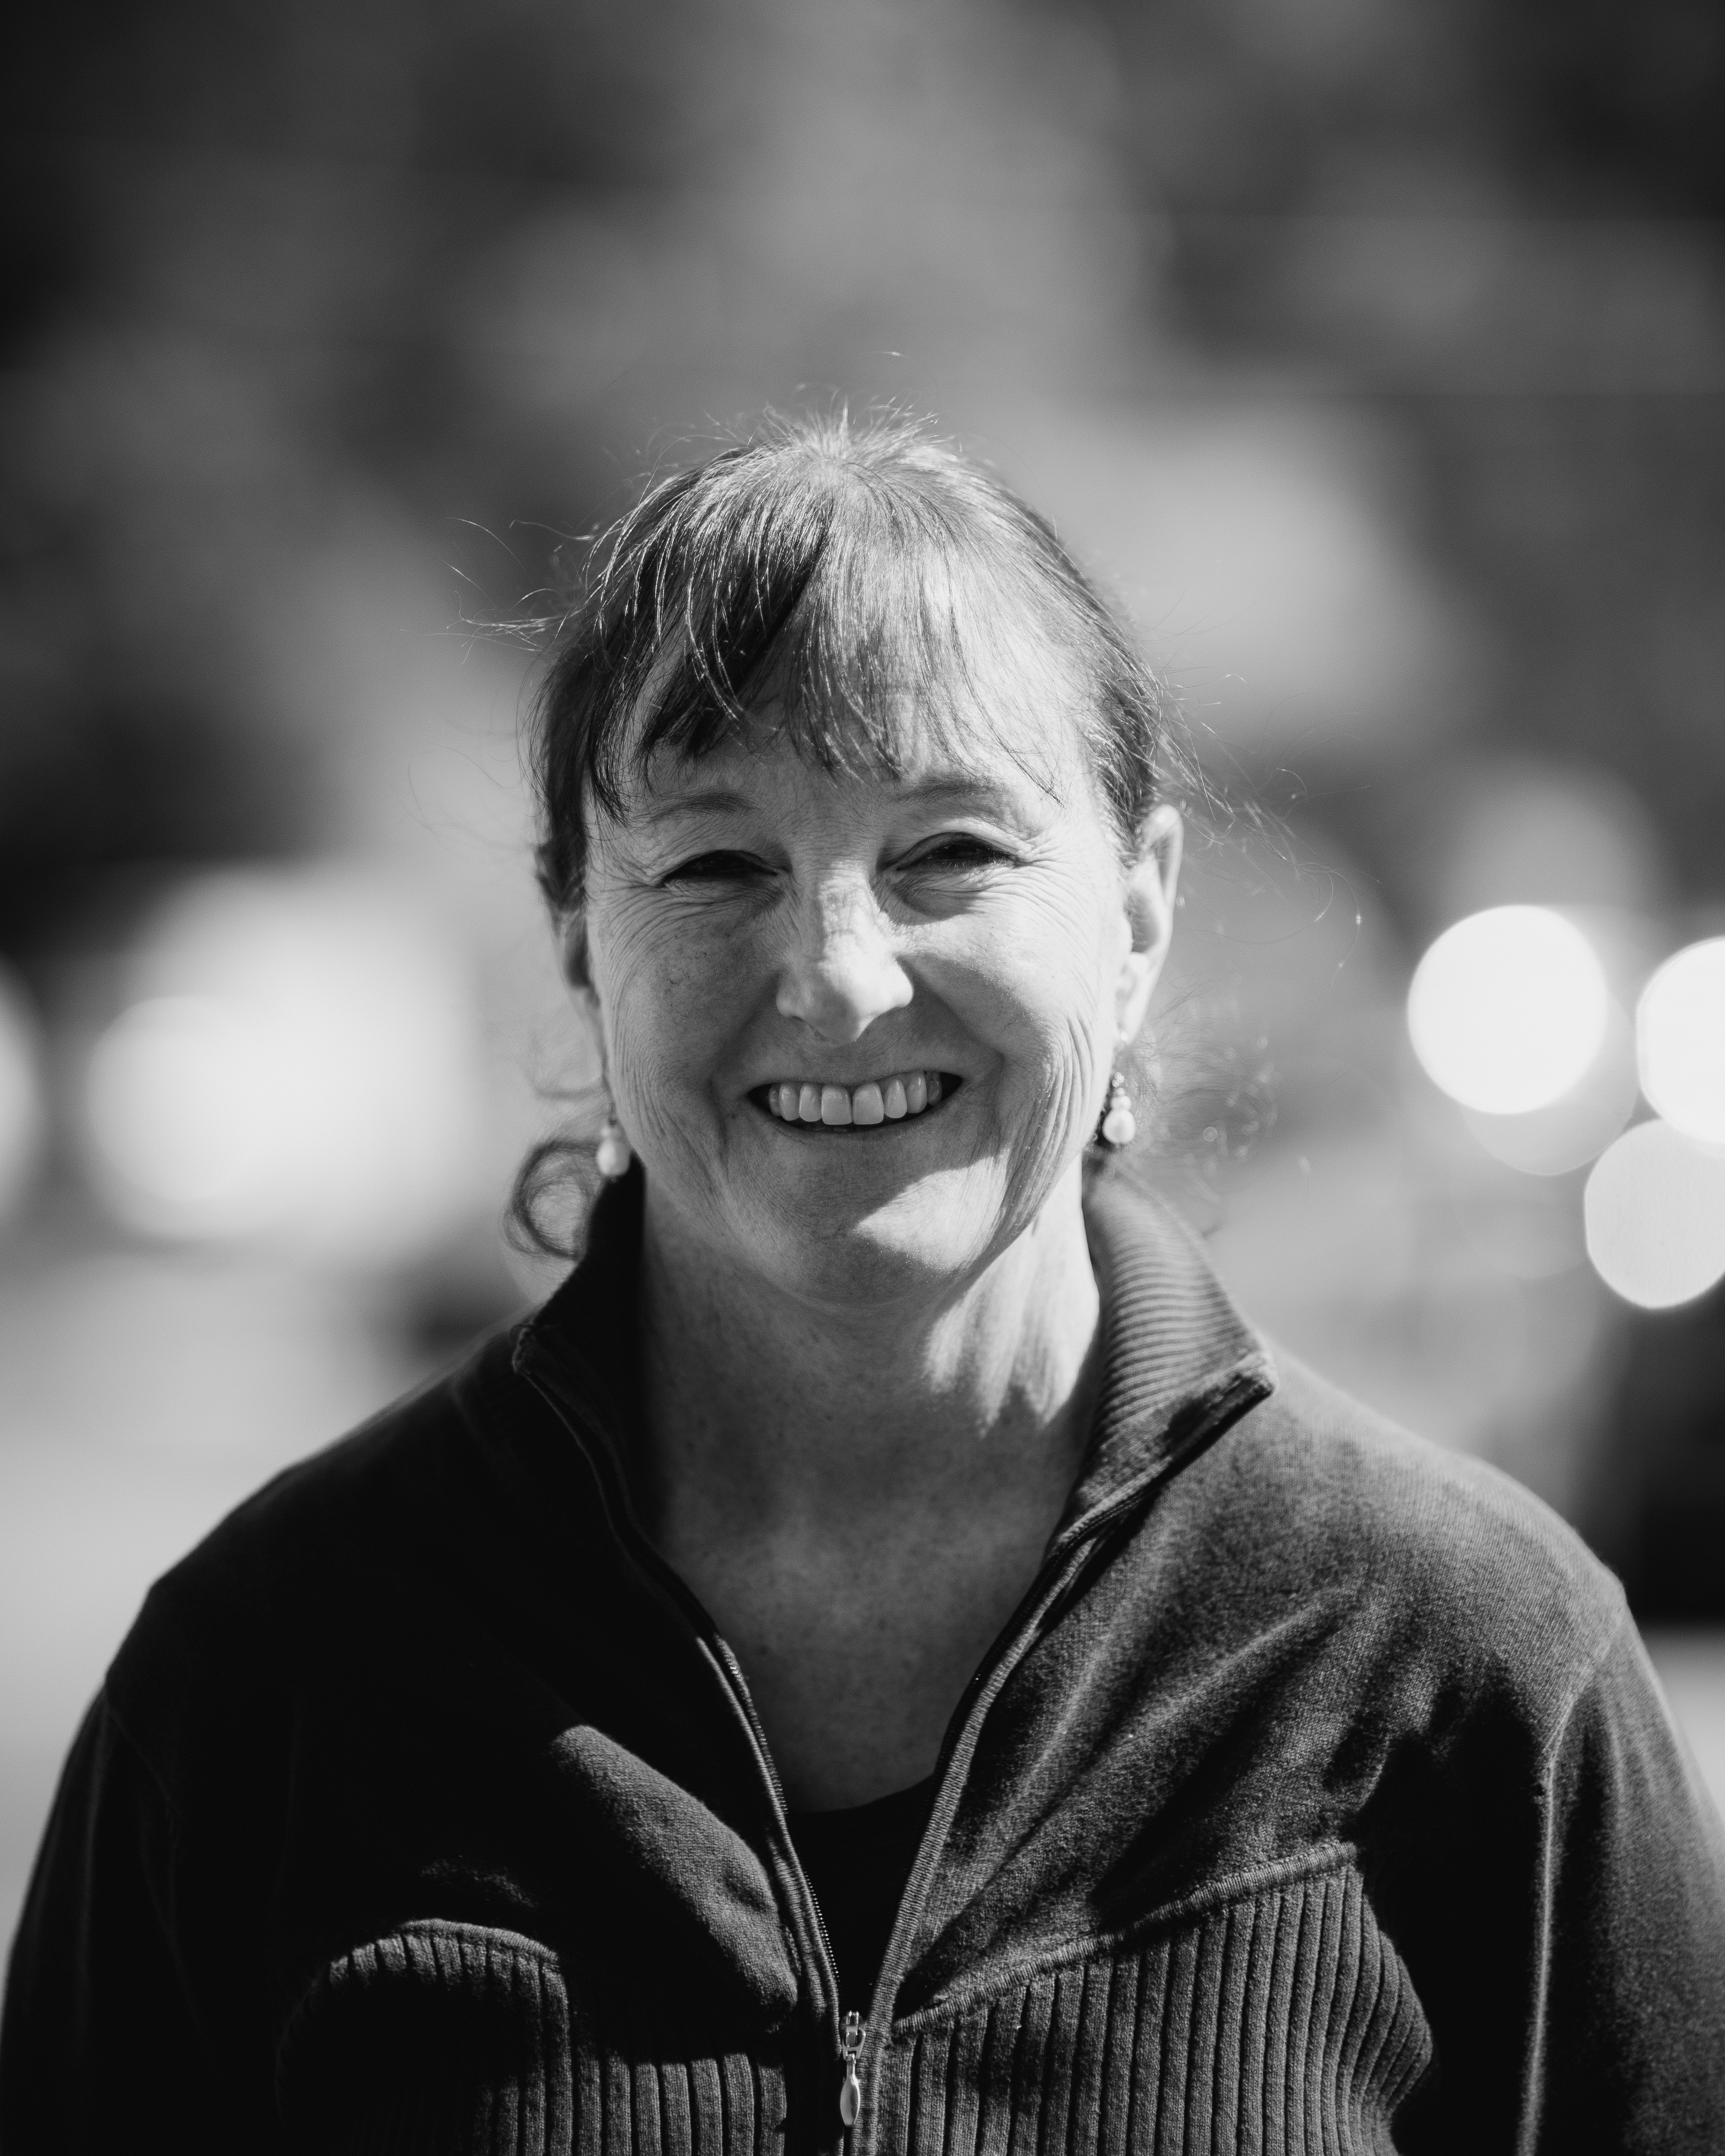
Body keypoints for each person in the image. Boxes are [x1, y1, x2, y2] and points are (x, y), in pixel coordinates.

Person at [3, 411, 1723, 2154]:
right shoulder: (268, 1682)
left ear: (1136, 917)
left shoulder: (1473, 1674)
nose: (832, 980)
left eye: (949, 853)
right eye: (717, 864)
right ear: (582, 937)